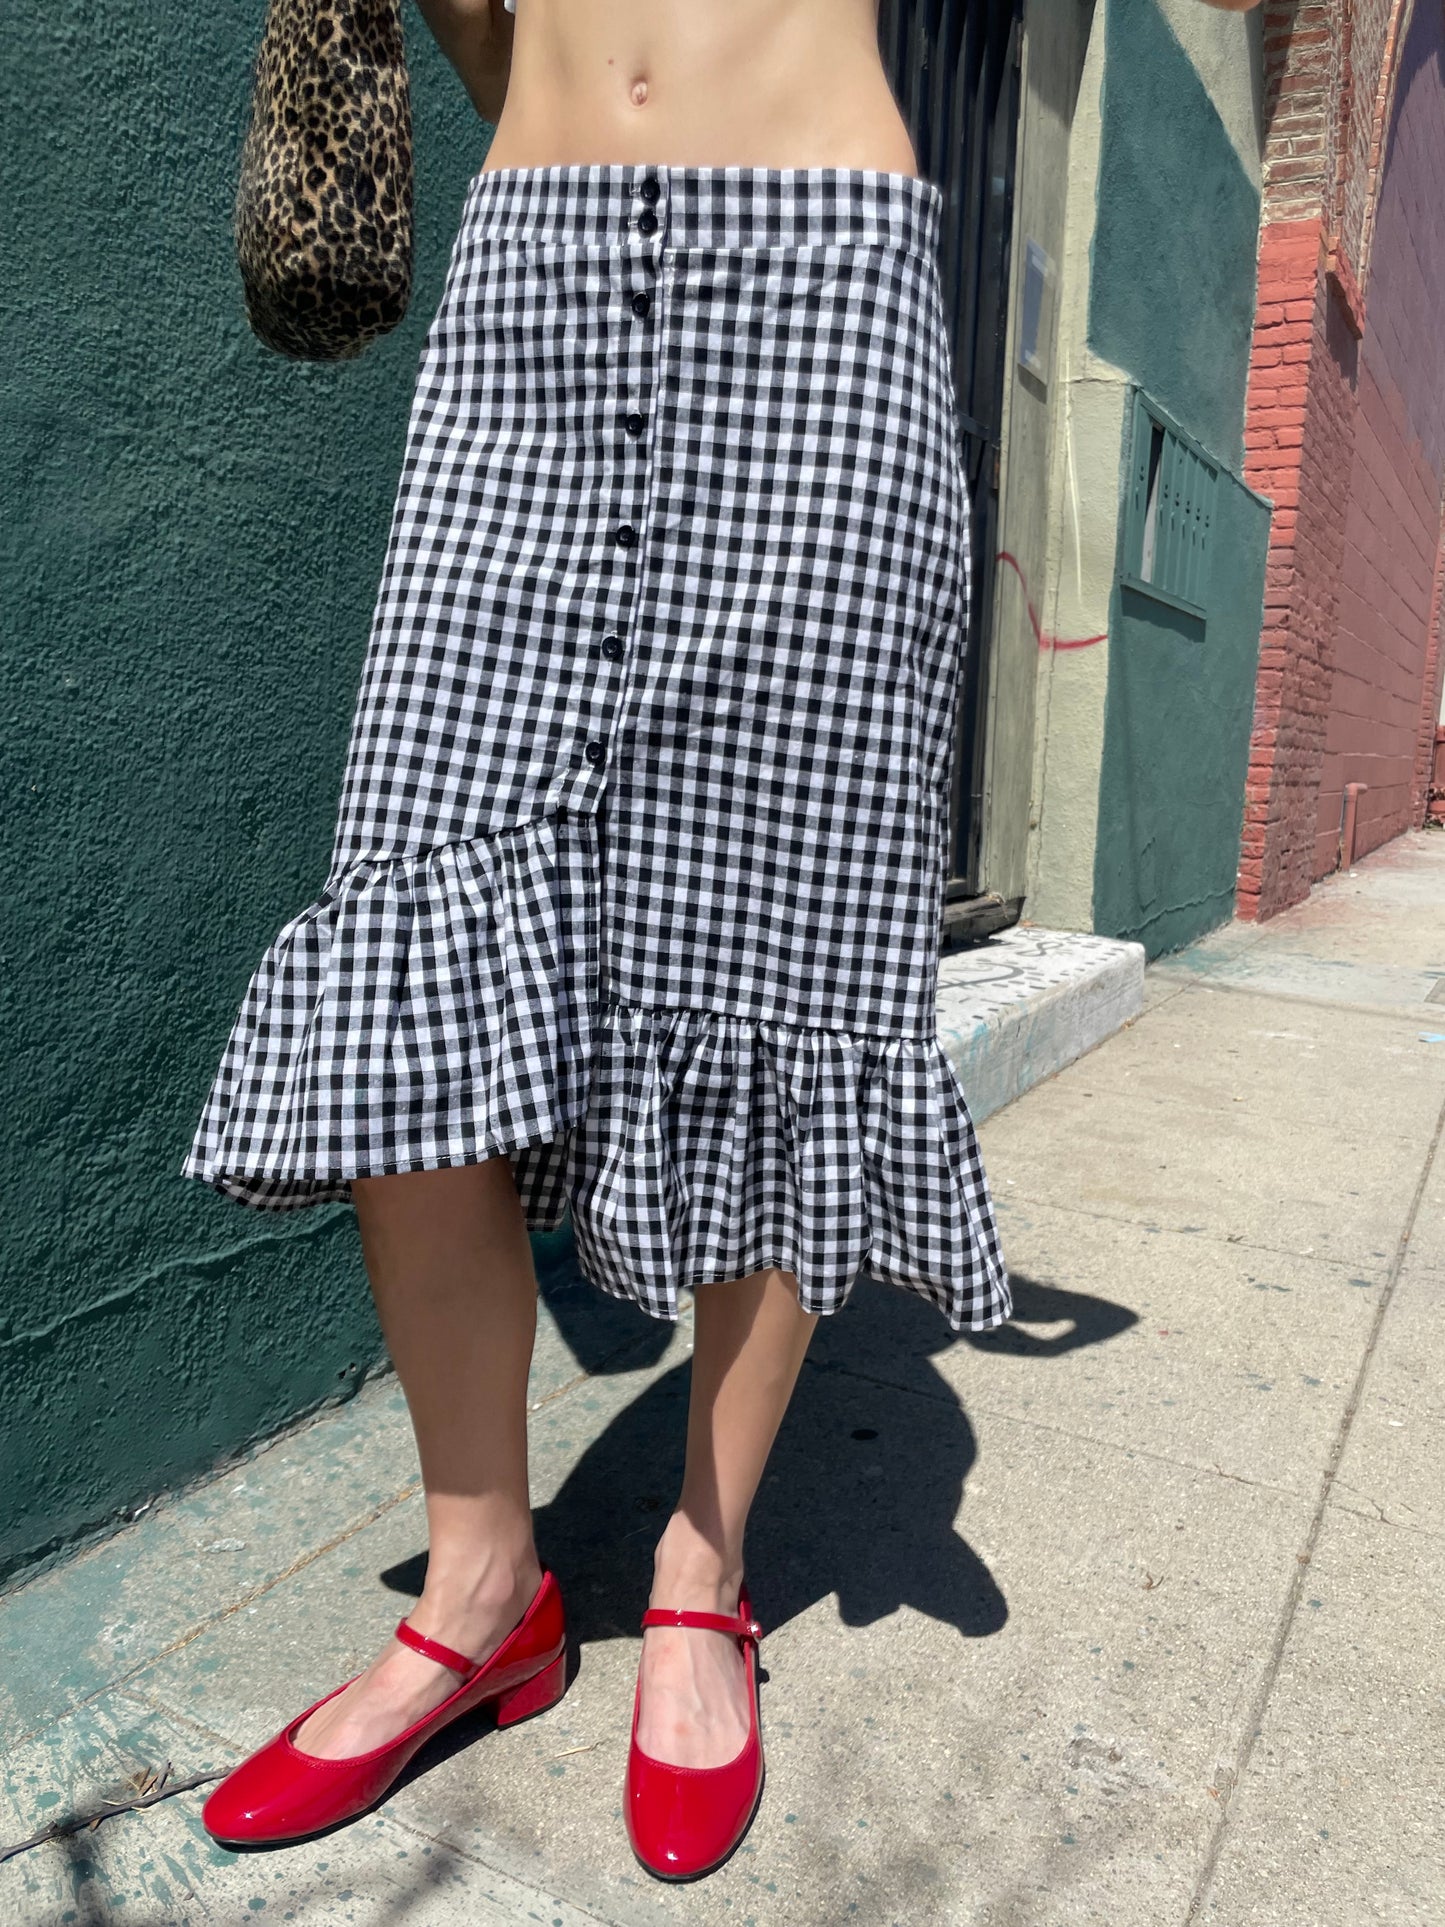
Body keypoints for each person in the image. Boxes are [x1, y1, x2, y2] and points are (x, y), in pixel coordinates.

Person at [182, 0, 1253, 1883]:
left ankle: (699, 1572)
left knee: (788, 957)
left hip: (816, 288)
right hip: (537, 284)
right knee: (416, 925)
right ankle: (480, 1591)